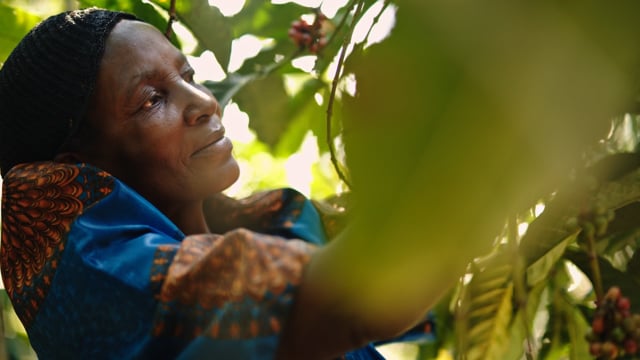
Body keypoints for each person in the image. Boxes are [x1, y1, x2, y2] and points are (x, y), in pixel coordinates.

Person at [0, 8, 436, 359]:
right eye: (152, 100)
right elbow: (340, 305)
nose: (206, 102)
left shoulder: (275, 226)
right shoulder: (97, 275)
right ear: (73, 171)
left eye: (188, 77)